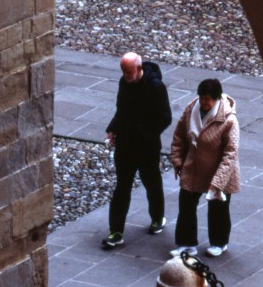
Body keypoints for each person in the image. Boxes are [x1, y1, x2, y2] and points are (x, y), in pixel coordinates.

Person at [102, 52, 172, 249]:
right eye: (123, 71)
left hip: (147, 146)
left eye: (129, 72)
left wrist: (144, 133)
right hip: (126, 145)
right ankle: (116, 231)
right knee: (122, 187)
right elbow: (121, 110)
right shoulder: (124, 83)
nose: (126, 75)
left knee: (151, 182)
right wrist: (112, 128)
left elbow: (165, 118)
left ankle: (157, 218)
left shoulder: (156, 87)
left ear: (139, 69)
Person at [170, 77, 240, 258]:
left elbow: (230, 154)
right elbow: (179, 137)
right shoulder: (190, 110)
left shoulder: (229, 120)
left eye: (207, 100)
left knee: (218, 209)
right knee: (186, 205)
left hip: (219, 170)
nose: (203, 103)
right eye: (201, 98)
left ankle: (219, 242)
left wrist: (218, 182)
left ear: (216, 99)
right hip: (193, 167)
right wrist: (178, 161)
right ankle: (186, 243)